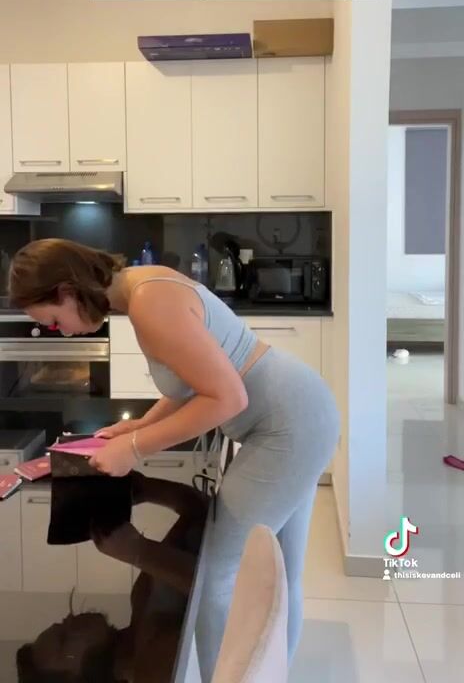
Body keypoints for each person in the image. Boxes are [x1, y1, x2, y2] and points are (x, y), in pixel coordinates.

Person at [9, 238, 340, 681]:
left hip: (287, 426)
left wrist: (135, 448)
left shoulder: (149, 303)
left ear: (68, 291)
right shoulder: (143, 289)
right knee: (284, 573)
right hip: (299, 413)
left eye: (53, 320)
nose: (61, 331)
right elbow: (191, 381)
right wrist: (137, 426)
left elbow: (228, 397)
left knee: (217, 577)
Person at [16, 470, 208, 682]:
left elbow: (199, 511)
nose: (70, 619)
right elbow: (229, 598)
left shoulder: (141, 598)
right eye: (64, 639)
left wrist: (142, 489)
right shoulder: (153, 671)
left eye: (61, 624)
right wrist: (140, 552)